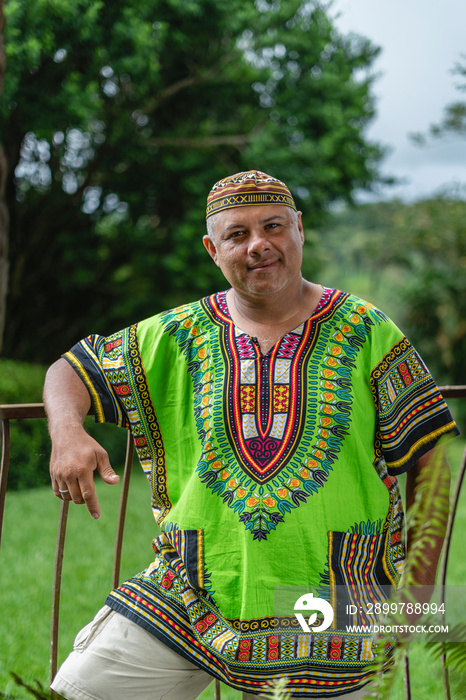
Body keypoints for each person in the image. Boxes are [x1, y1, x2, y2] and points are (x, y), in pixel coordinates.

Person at [44, 170, 459, 700]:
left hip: (330, 600)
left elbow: (432, 461)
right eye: (237, 234)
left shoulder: (367, 330)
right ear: (212, 249)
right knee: (77, 692)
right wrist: (67, 431)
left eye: (273, 226)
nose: (259, 244)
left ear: (300, 230)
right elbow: (70, 370)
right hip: (189, 588)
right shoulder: (175, 334)